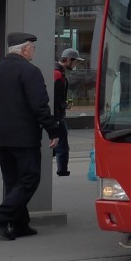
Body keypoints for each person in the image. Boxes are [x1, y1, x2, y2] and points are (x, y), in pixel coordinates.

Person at [0, 32, 61, 241]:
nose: (33, 51)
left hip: (0, 138)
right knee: (30, 178)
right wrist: (53, 130)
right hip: (23, 137)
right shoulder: (30, 71)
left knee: (14, 180)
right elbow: (39, 105)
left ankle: (20, 224)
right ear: (24, 49)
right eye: (32, 47)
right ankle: (0, 219)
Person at [53, 46, 85, 176]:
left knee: (59, 143)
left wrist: (63, 104)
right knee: (62, 145)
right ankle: (62, 170)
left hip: (57, 114)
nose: (76, 64)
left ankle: (61, 169)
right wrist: (57, 115)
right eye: (76, 62)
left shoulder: (58, 73)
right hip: (57, 116)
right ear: (69, 60)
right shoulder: (58, 74)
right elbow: (54, 97)